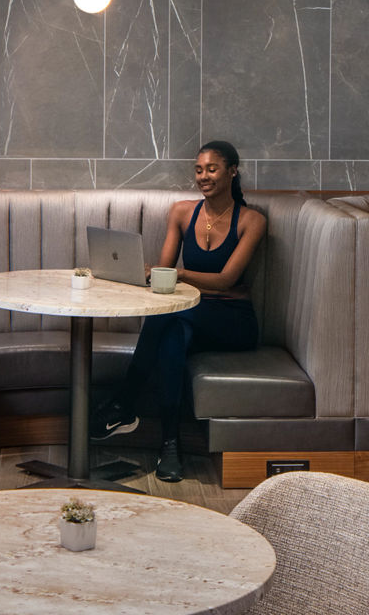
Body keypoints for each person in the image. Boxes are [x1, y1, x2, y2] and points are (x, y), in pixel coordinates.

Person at [90, 140, 266, 483]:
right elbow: (164, 271)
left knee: (170, 318)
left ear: (232, 171)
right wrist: (142, 272)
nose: (203, 176)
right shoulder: (183, 212)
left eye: (212, 169)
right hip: (189, 314)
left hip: (233, 322)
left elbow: (226, 279)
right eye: (199, 170)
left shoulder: (252, 220)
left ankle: (124, 404)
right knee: (171, 333)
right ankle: (170, 446)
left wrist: (179, 275)